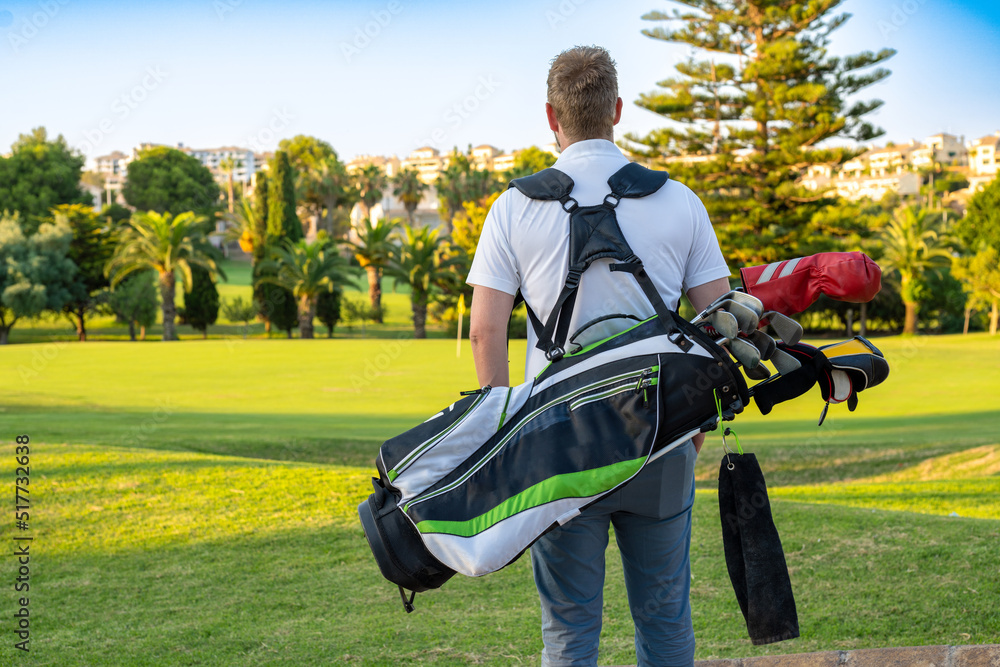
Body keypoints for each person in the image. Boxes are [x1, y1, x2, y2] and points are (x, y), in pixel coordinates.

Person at [466, 46, 731, 667]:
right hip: (660, 437)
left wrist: (501, 438)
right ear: (617, 109)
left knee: (568, 631)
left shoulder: (512, 208)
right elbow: (720, 322)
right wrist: (697, 421)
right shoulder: (679, 201)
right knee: (665, 621)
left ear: (551, 117)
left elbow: (485, 333)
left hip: (557, 448)